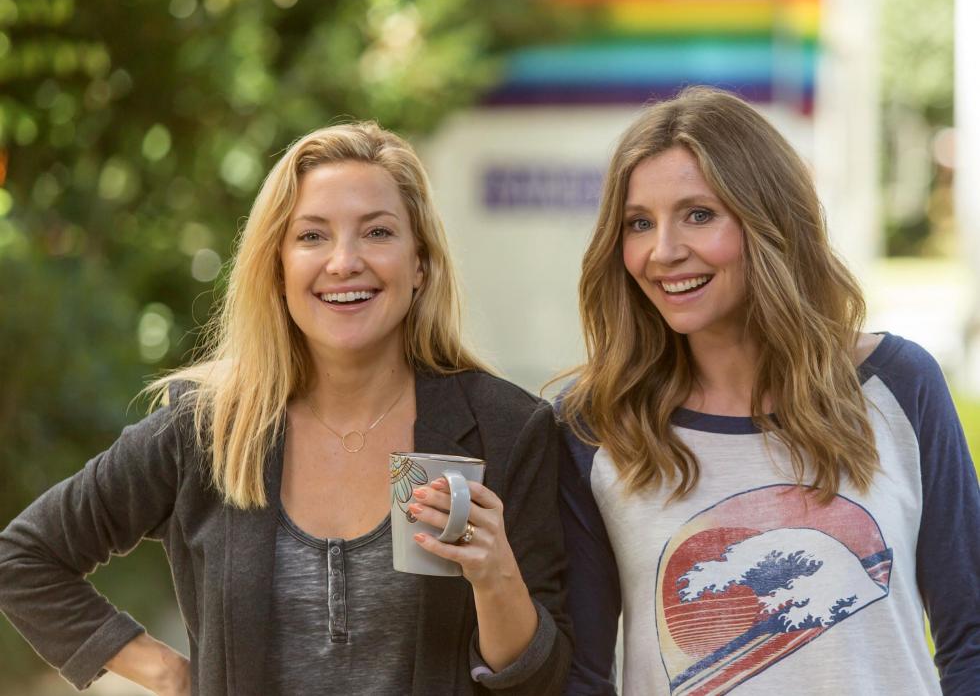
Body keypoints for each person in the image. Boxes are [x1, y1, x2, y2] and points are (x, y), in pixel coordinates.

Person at [0, 122, 571, 695]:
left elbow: (547, 681)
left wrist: (495, 577)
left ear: (420, 263)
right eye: (312, 236)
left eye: (377, 232)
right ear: (277, 268)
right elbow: (22, 558)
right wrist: (172, 675)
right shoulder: (208, 430)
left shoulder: (506, 429)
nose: (344, 262)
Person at [557, 86, 980, 695]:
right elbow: (582, 675)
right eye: (639, 223)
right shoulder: (596, 423)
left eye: (699, 215)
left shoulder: (900, 384)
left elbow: (971, 637)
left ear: (770, 219)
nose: (663, 251)